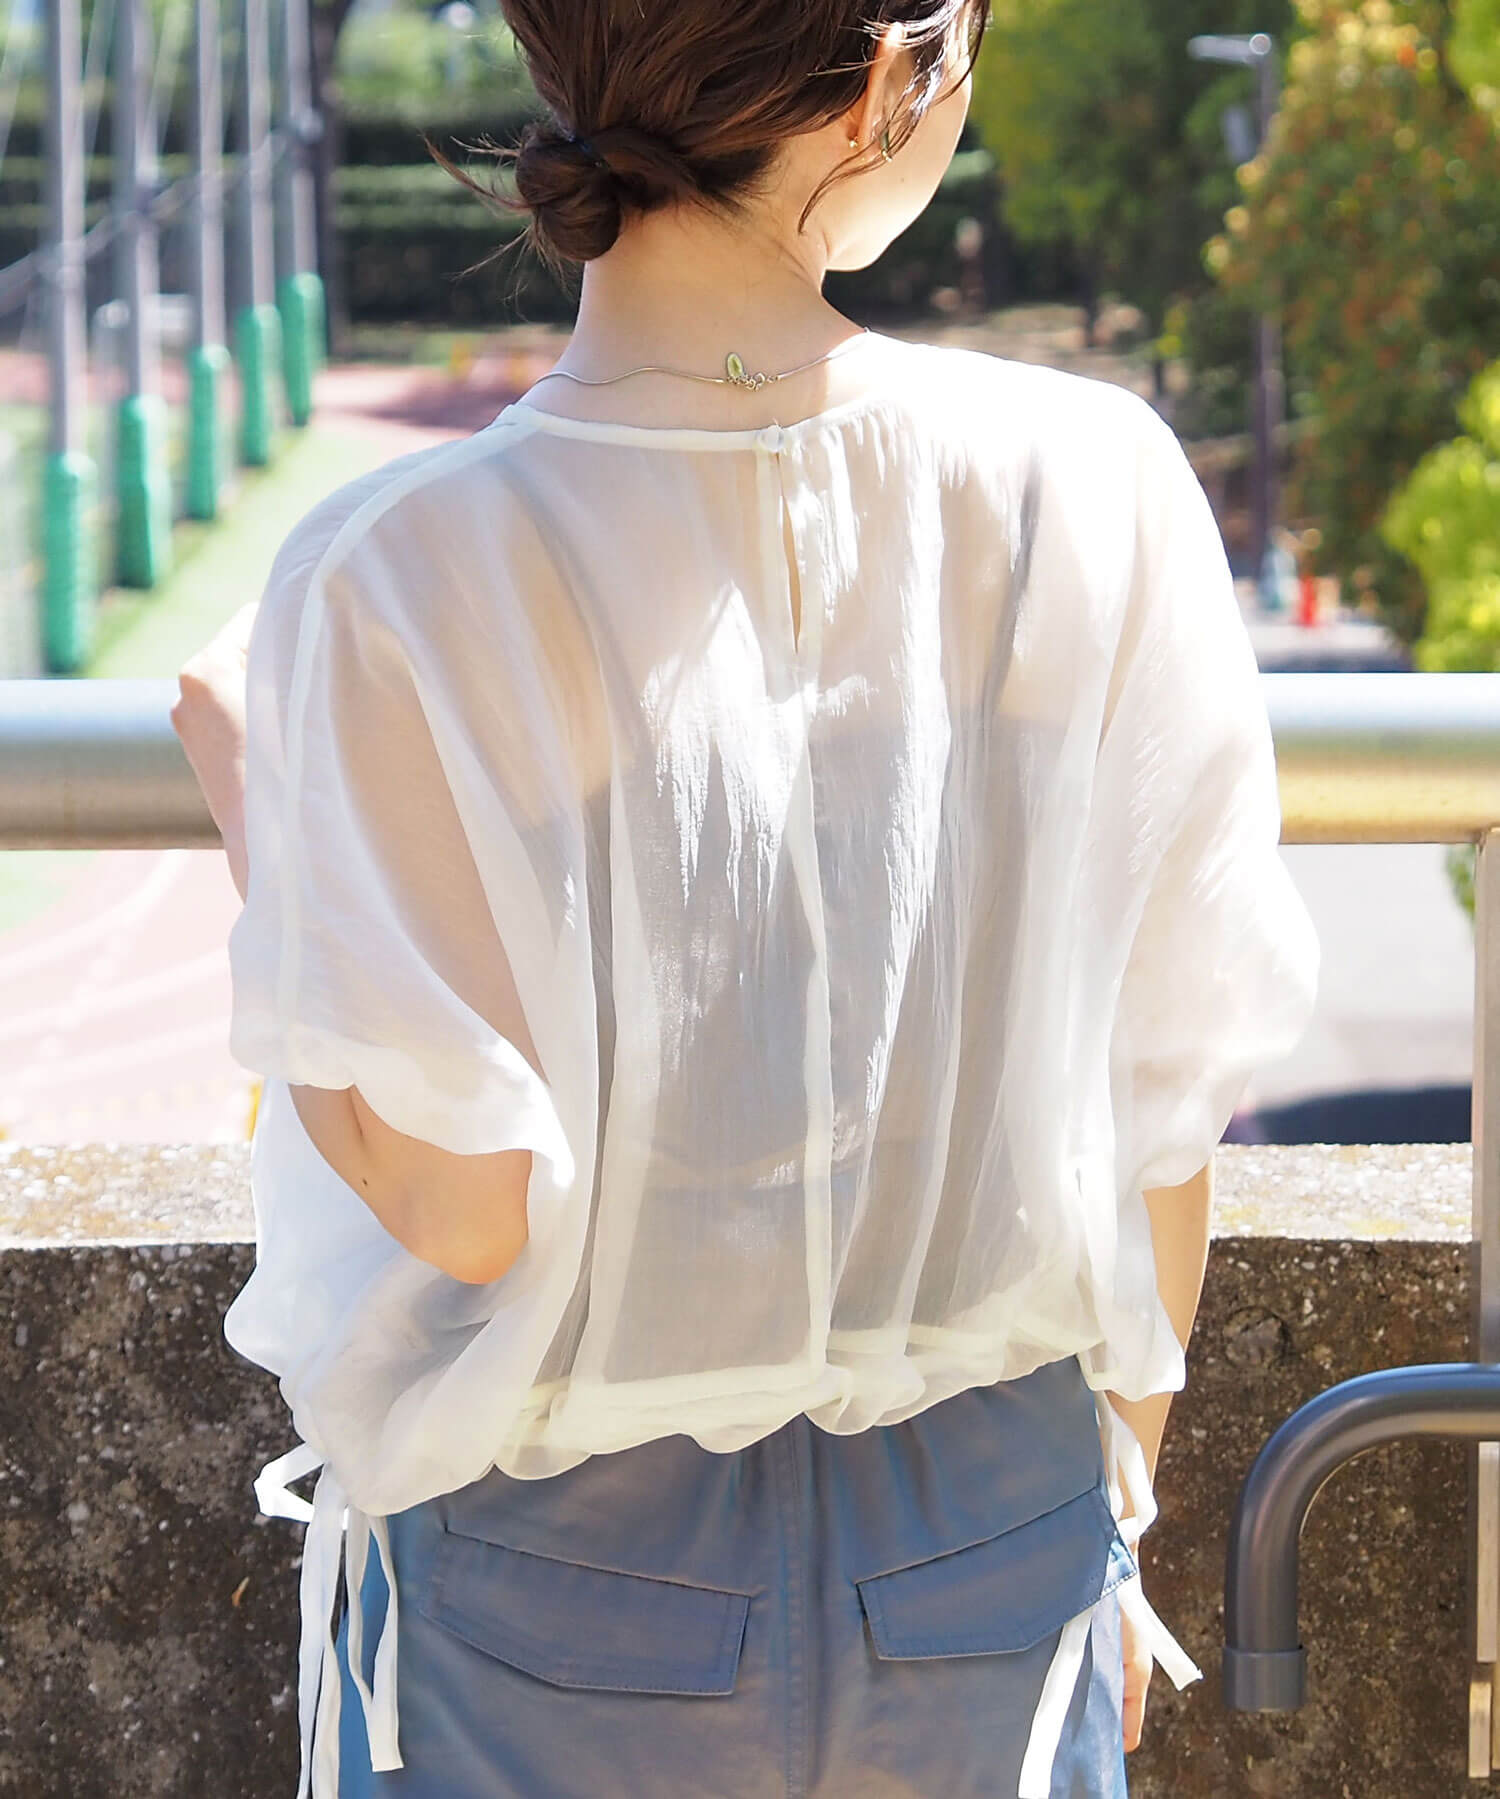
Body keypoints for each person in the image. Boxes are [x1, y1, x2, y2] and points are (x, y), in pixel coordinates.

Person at [171, 1, 1322, 1793]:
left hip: (551, 1587)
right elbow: (1162, 1112)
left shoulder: (395, 571)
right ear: (876, 90)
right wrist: (1121, 1505)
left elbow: (464, 1203)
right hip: (996, 1542)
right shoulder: (1095, 486)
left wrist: (266, 795)